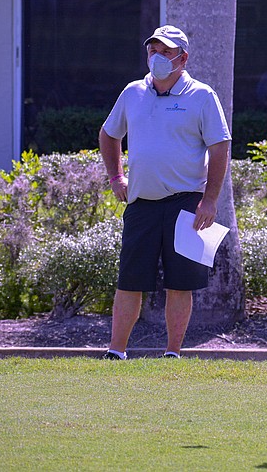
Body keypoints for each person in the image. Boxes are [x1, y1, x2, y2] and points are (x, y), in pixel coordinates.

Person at [99, 25, 231, 360]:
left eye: (165, 51)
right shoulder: (132, 92)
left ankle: (173, 352)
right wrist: (116, 177)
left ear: (182, 58)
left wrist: (210, 201)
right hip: (141, 202)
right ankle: (116, 352)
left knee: (180, 282)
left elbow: (220, 148)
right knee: (129, 280)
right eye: (153, 51)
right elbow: (109, 134)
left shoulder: (202, 96)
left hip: (187, 203)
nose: (157, 57)